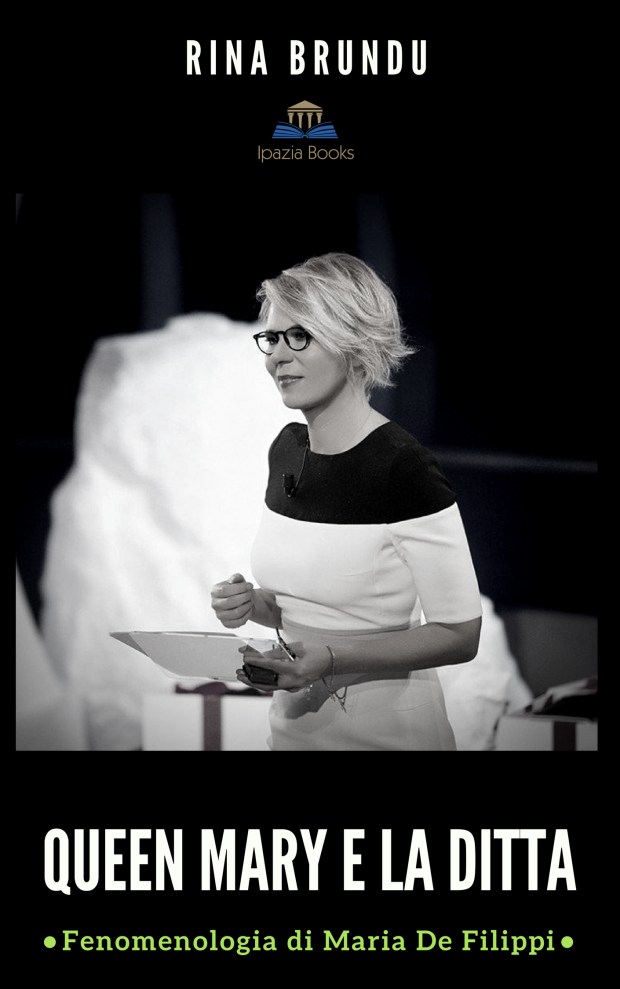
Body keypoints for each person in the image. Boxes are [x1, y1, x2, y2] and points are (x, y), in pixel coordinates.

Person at [210, 252, 482, 750]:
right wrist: (252, 604)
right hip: (291, 731)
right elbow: (306, 605)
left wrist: (332, 658)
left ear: (353, 341)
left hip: (389, 737)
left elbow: (460, 634)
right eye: (272, 338)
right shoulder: (286, 449)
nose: (277, 356)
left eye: (300, 336)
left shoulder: (402, 466)